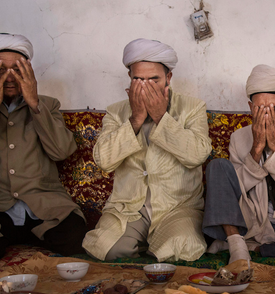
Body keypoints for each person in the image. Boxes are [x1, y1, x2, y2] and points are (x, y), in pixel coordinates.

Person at [0, 33, 87, 263]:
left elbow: (61, 151)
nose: (10, 77)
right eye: (0, 70)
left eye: (18, 69)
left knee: (74, 239)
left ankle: (24, 234)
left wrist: (34, 104)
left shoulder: (48, 104)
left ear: (29, 71)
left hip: (44, 206)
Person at [82, 39, 212, 262]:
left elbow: (198, 155)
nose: (146, 87)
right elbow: (104, 161)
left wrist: (162, 117)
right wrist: (136, 119)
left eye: (154, 79)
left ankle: (154, 245)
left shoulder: (192, 108)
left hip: (177, 207)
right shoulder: (116, 112)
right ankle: (140, 243)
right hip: (128, 208)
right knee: (105, 248)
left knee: (182, 247)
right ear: (130, 80)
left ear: (168, 78)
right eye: (138, 80)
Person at [202, 64, 275, 263]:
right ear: (250, 108)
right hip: (252, 222)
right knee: (218, 166)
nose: (266, 114)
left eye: (274, 108)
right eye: (259, 108)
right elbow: (234, 189)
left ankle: (261, 248)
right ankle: (237, 245)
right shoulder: (239, 138)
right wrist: (256, 149)